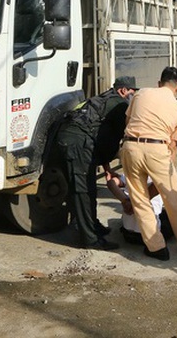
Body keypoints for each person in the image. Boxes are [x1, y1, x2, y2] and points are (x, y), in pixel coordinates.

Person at [120, 66, 177, 261]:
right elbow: (173, 145)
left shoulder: (141, 93)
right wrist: (168, 168)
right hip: (158, 149)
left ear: (160, 83)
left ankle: (157, 248)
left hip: (131, 146)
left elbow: (128, 121)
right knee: (173, 197)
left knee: (139, 199)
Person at [55, 76, 138, 250]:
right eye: (132, 92)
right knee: (83, 190)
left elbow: (102, 137)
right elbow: (115, 141)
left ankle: (92, 226)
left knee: (86, 187)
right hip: (77, 143)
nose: (133, 96)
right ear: (123, 91)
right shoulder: (120, 104)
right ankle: (90, 239)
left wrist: (106, 167)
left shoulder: (103, 98)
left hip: (73, 140)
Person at [106, 171, 177, 244]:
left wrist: (125, 201)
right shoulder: (158, 177)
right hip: (152, 236)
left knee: (163, 214)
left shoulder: (130, 173)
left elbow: (111, 183)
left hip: (127, 234)